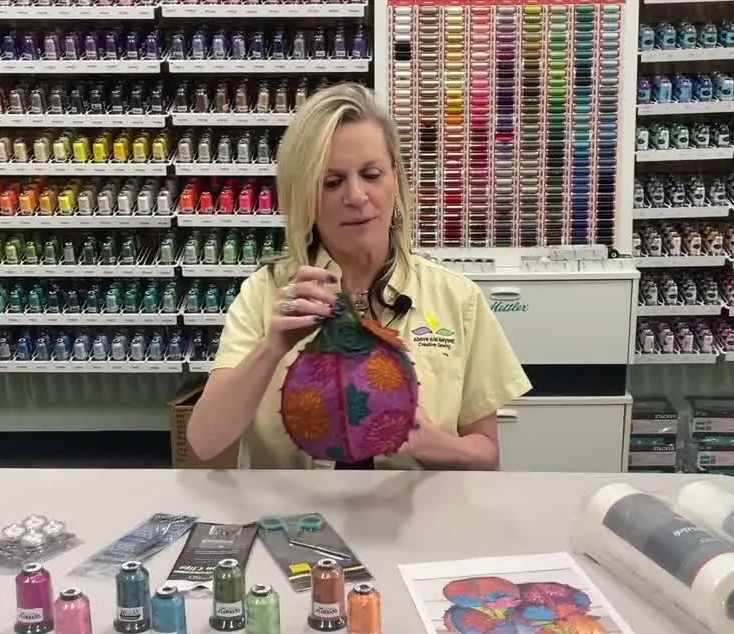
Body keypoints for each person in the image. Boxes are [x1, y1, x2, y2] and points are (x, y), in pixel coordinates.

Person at [186, 82, 530, 471]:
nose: (356, 196)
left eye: (371, 174)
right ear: (305, 196)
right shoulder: (265, 294)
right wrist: (272, 348)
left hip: (413, 520)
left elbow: (487, 456)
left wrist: (432, 443)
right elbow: (205, 441)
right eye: (331, 182)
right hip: (296, 523)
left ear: (395, 179)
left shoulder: (457, 299)